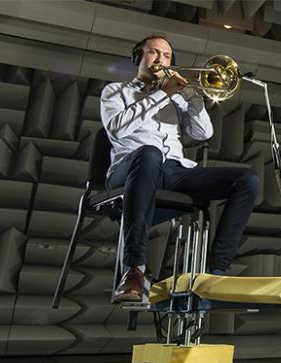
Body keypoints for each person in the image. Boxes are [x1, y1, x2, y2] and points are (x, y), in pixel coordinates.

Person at [100, 33, 260, 303]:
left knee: (248, 179)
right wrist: (163, 94)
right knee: (149, 153)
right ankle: (134, 271)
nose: (160, 59)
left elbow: (203, 133)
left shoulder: (176, 99)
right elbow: (117, 128)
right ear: (138, 56)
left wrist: (191, 97)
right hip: (129, 170)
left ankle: (216, 271)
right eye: (154, 52)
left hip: (173, 170)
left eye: (166, 56)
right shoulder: (116, 91)